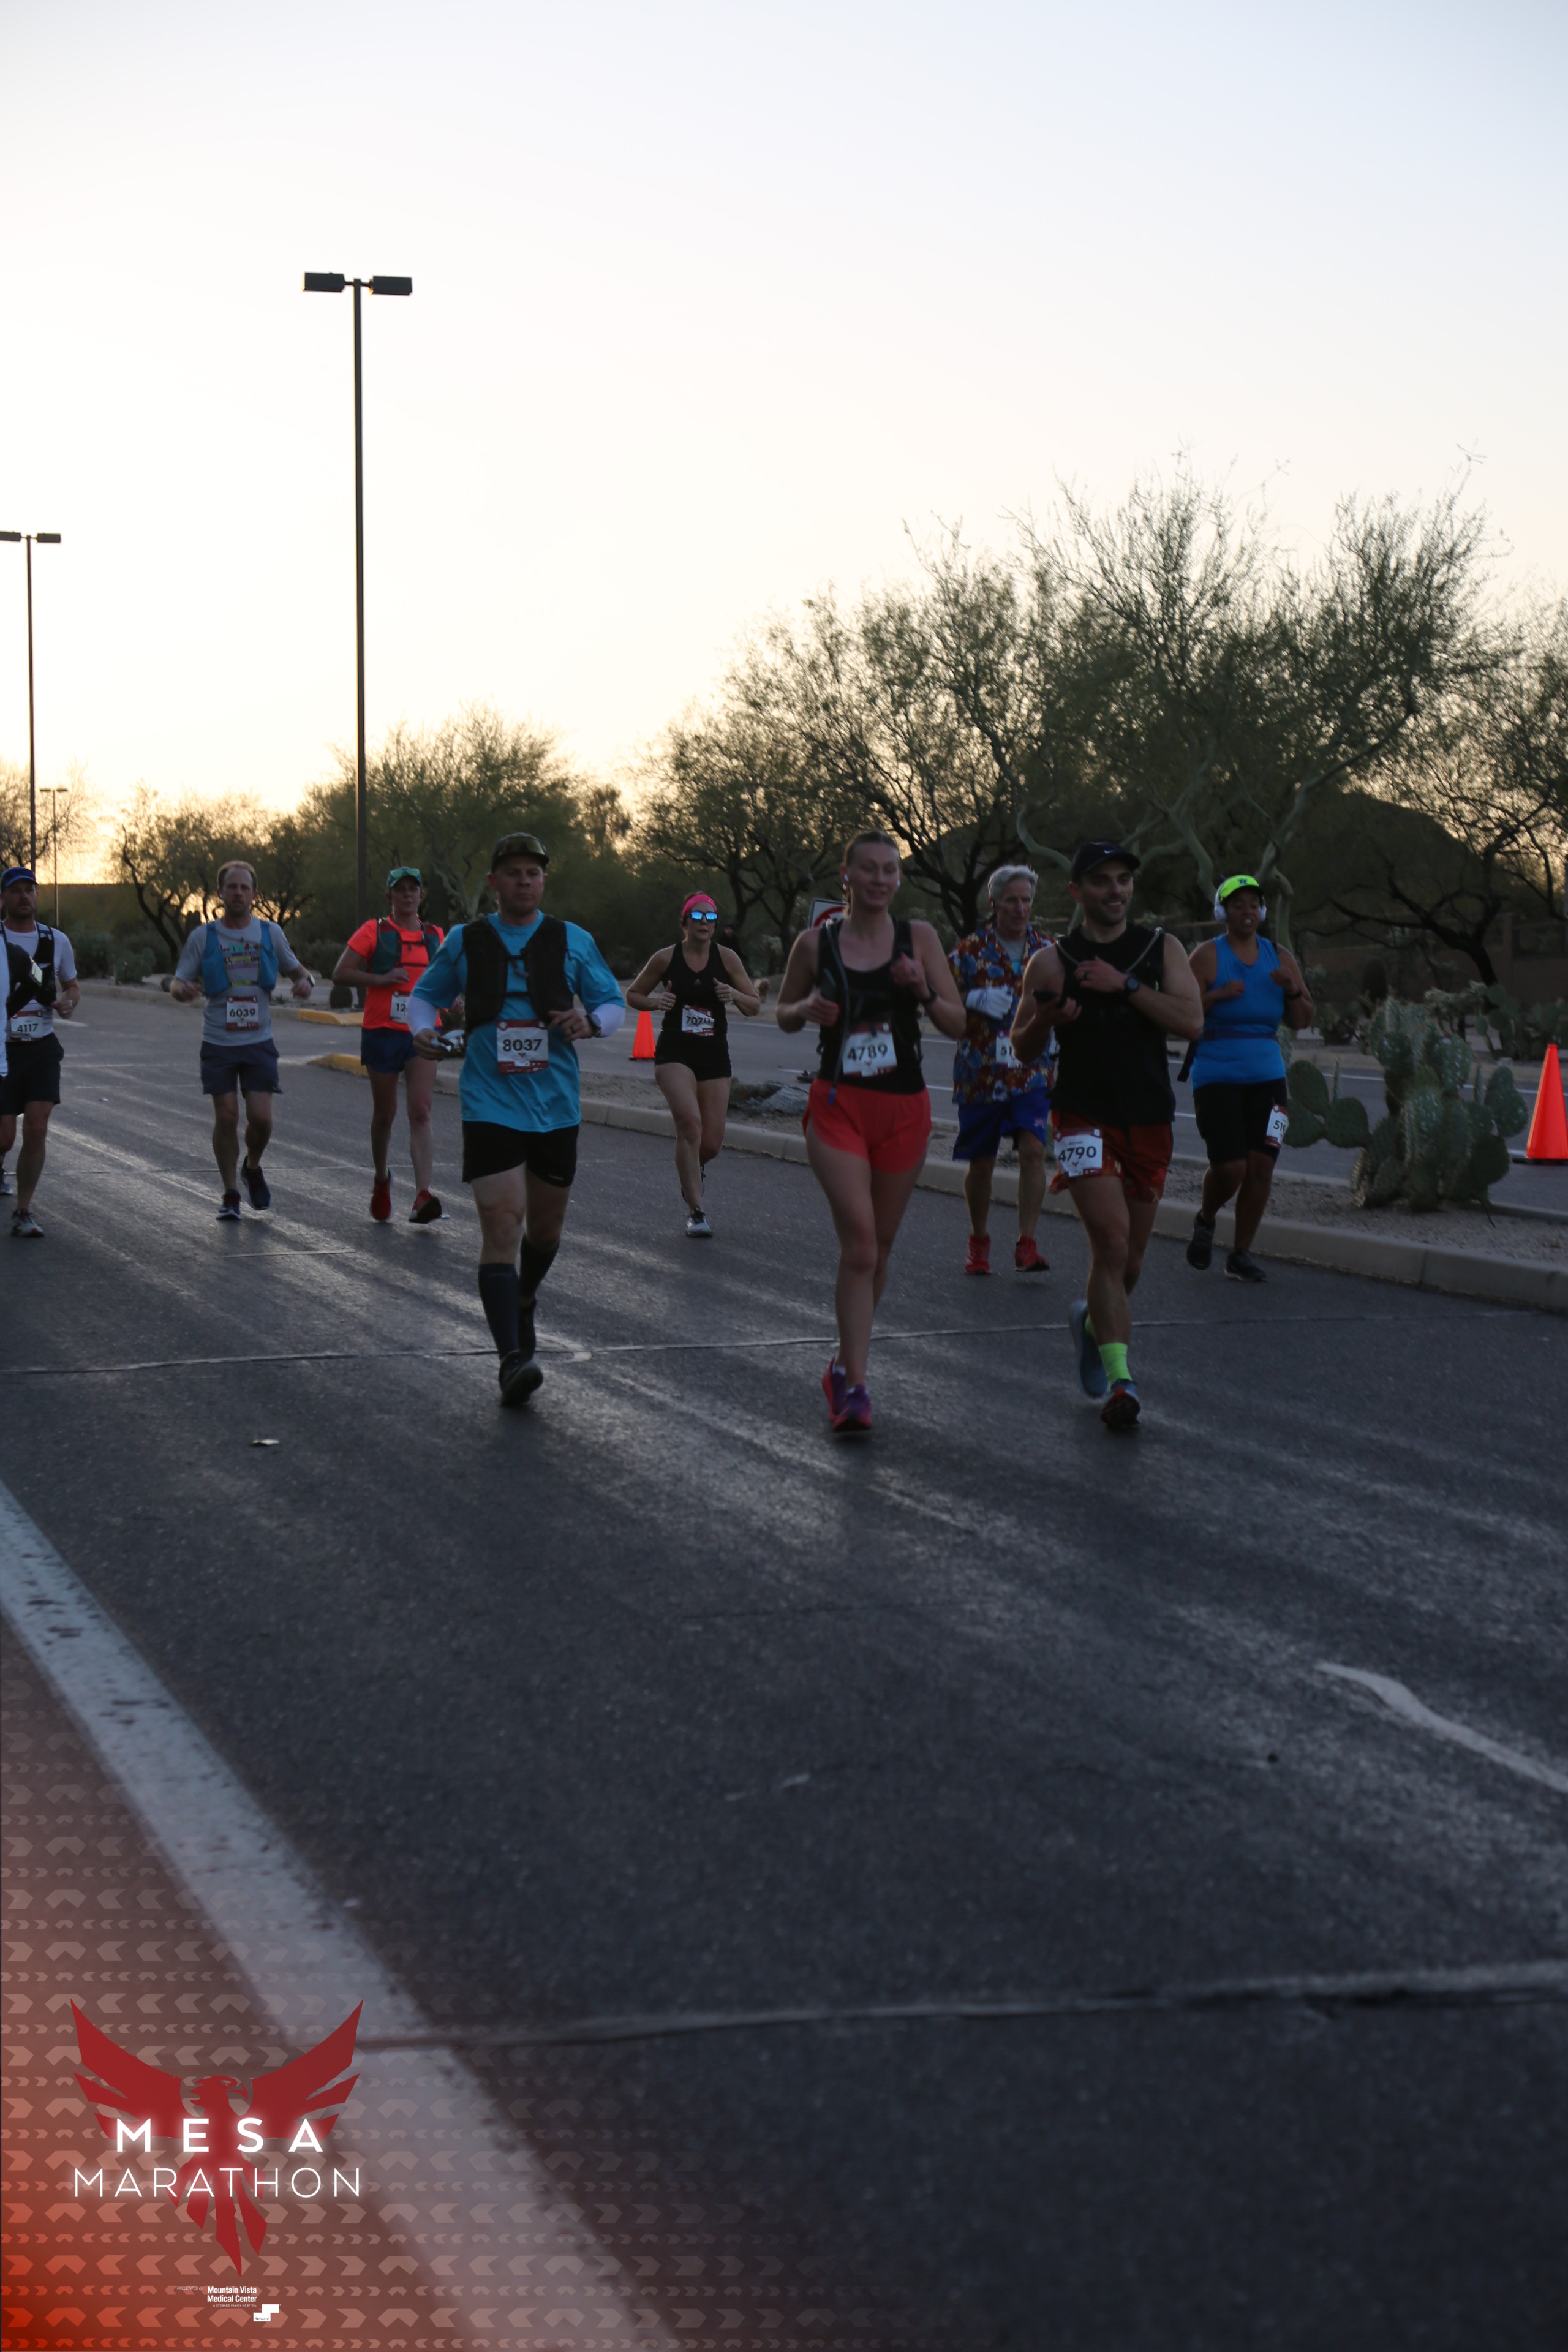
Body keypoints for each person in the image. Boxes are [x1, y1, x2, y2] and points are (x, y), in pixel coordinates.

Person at [405, 831, 625, 1409]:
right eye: (514, 872)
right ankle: (510, 1360)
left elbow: (611, 1003)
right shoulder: (466, 940)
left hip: (556, 1106)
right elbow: (424, 997)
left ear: (543, 880)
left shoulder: (573, 940)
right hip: (489, 1102)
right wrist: (423, 1030)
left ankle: (524, 1296)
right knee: (502, 1224)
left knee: (545, 1232)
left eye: (534, 872)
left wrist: (591, 1023)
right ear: (494, 882)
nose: (525, 881)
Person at [777, 829, 967, 1433]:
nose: (880, 879)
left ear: (898, 879)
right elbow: (782, 1014)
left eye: (890, 870)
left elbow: (958, 1023)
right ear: (847, 876)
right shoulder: (815, 943)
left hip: (903, 1108)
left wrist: (922, 988)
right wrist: (804, 1010)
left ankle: (841, 1363)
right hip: (839, 1104)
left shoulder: (920, 939)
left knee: (878, 1249)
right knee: (860, 1245)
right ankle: (855, 1386)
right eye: (869, 869)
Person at [1011, 840, 1202, 1430]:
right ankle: (1122, 1381)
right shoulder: (1051, 962)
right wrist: (1046, 1019)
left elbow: (1192, 1021)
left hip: (1148, 1116)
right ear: (1077, 892)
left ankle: (1093, 1325)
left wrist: (1126, 986)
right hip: (1080, 1115)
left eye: (1123, 880)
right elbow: (1021, 1046)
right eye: (1101, 881)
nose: (1115, 890)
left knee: (1133, 1259)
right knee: (1112, 1244)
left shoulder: (1161, 949)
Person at [1183, 875, 1314, 1281]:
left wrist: (1291, 988)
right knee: (1231, 1168)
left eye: (1254, 904)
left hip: (1269, 1079)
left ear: (1262, 911)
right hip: (1216, 1077)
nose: (1247, 911)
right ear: (1222, 911)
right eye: (1237, 904)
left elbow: (1302, 1019)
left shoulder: (1279, 955)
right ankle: (1206, 1219)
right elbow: (1180, 1012)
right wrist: (1216, 996)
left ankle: (1241, 1254)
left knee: (1261, 1167)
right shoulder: (1207, 956)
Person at [170, 860, 314, 1218]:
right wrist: (182, 991)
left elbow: (300, 971)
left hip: (258, 1041)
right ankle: (230, 1193)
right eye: (232, 887)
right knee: (227, 1116)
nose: (238, 893)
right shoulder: (203, 937)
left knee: (261, 1120)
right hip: (218, 1042)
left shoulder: (270, 933)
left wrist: (305, 982)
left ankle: (252, 1167)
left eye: (244, 888)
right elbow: (177, 981)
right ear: (220, 893)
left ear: (254, 894)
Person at [625, 893, 761, 1235]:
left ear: (715, 925)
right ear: (684, 922)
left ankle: (692, 1169)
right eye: (697, 916)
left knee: (710, 1144)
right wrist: (657, 1002)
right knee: (689, 1123)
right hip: (675, 1051)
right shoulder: (665, 958)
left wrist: (735, 995)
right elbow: (633, 994)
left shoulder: (727, 958)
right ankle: (696, 1211)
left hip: (714, 1053)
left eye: (710, 917)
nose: (704, 922)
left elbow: (754, 1005)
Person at [948, 864, 1055, 1276]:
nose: (1020, 908)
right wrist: (971, 997)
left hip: (1032, 1069)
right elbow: (936, 994)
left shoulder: (1048, 950)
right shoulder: (969, 951)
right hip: (981, 1072)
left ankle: (1027, 1244)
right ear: (993, 903)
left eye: (1026, 900)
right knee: (982, 1164)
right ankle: (978, 1240)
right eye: (1012, 900)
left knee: (1033, 1150)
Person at [332, 867, 448, 1224]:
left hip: (424, 1032)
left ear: (421, 896)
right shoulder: (374, 931)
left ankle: (423, 1195)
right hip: (382, 1031)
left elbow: (445, 979)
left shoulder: (435, 936)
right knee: (385, 1115)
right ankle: (382, 1178)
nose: (407, 895)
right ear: (390, 897)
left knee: (421, 1111)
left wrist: (453, 999)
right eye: (401, 890)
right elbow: (340, 973)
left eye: (413, 889)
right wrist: (381, 979)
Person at [2, 864, 81, 1239]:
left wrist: (68, 1003)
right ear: (3, 898)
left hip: (42, 1048)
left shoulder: (56, 941)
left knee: (37, 1126)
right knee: (4, 1138)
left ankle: (23, 1210)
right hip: (3, 1049)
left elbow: (72, 986)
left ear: (36, 896)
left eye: (29, 890)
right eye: (16, 890)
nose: (24, 896)